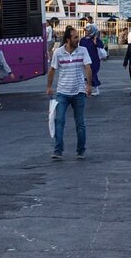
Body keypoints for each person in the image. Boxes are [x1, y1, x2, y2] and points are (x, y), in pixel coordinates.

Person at [46, 26, 93, 160]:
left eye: (78, 37)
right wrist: (49, 86)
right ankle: (58, 150)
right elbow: (52, 70)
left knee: (80, 123)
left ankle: (80, 151)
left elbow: (88, 67)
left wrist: (89, 85)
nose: (78, 39)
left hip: (79, 91)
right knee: (59, 121)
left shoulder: (83, 51)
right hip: (62, 92)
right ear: (68, 39)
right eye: (75, 37)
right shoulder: (58, 53)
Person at [80, 24, 104, 96]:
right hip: (85, 59)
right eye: (85, 31)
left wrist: (96, 42)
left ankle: (95, 88)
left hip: (94, 59)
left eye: (87, 31)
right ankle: (90, 88)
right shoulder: (83, 39)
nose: (85, 32)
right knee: (88, 73)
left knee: (93, 73)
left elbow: (101, 46)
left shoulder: (95, 39)